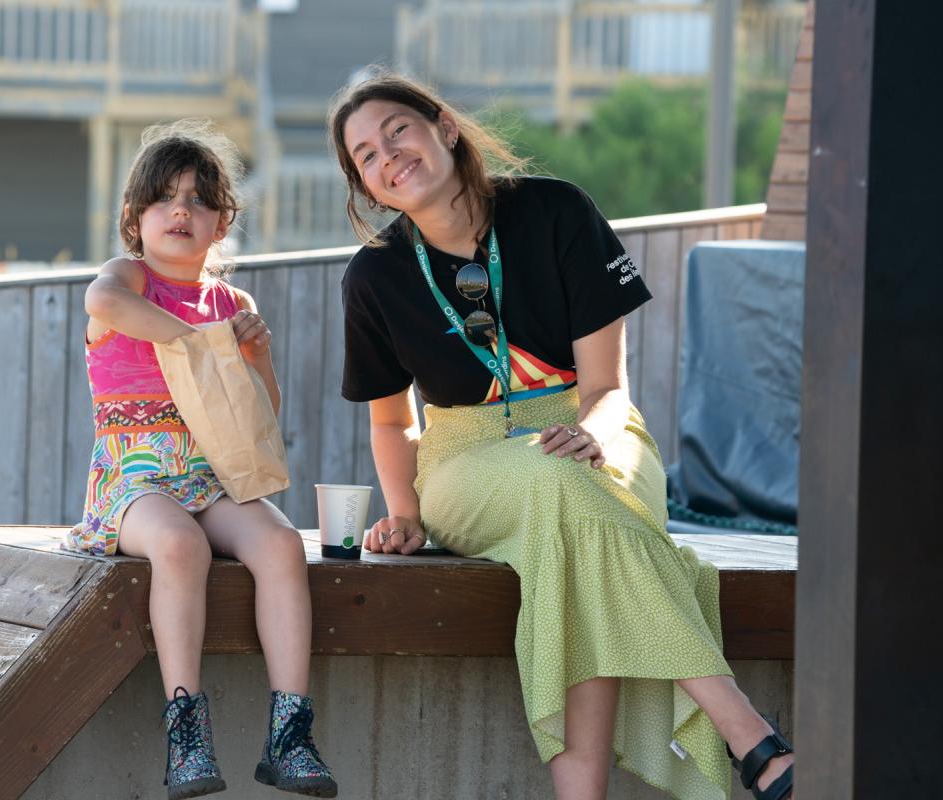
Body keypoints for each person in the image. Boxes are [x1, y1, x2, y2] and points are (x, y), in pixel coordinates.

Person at [328, 71, 793, 800]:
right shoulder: (374, 277)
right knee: (558, 488)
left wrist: (597, 434)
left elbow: (608, 388)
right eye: (365, 155)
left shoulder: (556, 211)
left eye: (398, 131)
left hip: (595, 429)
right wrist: (405, 514)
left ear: (445, 127)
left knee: (569, 529)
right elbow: (392, 420)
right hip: (465, 459)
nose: (387, 155)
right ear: (366, 185)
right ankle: (746, 733)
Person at [65, 119, 336, 800]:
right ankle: (186, 730)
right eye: (164, 198)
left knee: (279, 544)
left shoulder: (232, 303)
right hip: (134, 477)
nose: (180, 211)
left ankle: (290, 731)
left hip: (211, 473)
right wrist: (193, 340)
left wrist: (253, 355)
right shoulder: (129, 279)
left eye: (198, 200)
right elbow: (101, 302)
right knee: (179, 547)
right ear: (136, 216)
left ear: (222, 223)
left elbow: (258, 414)